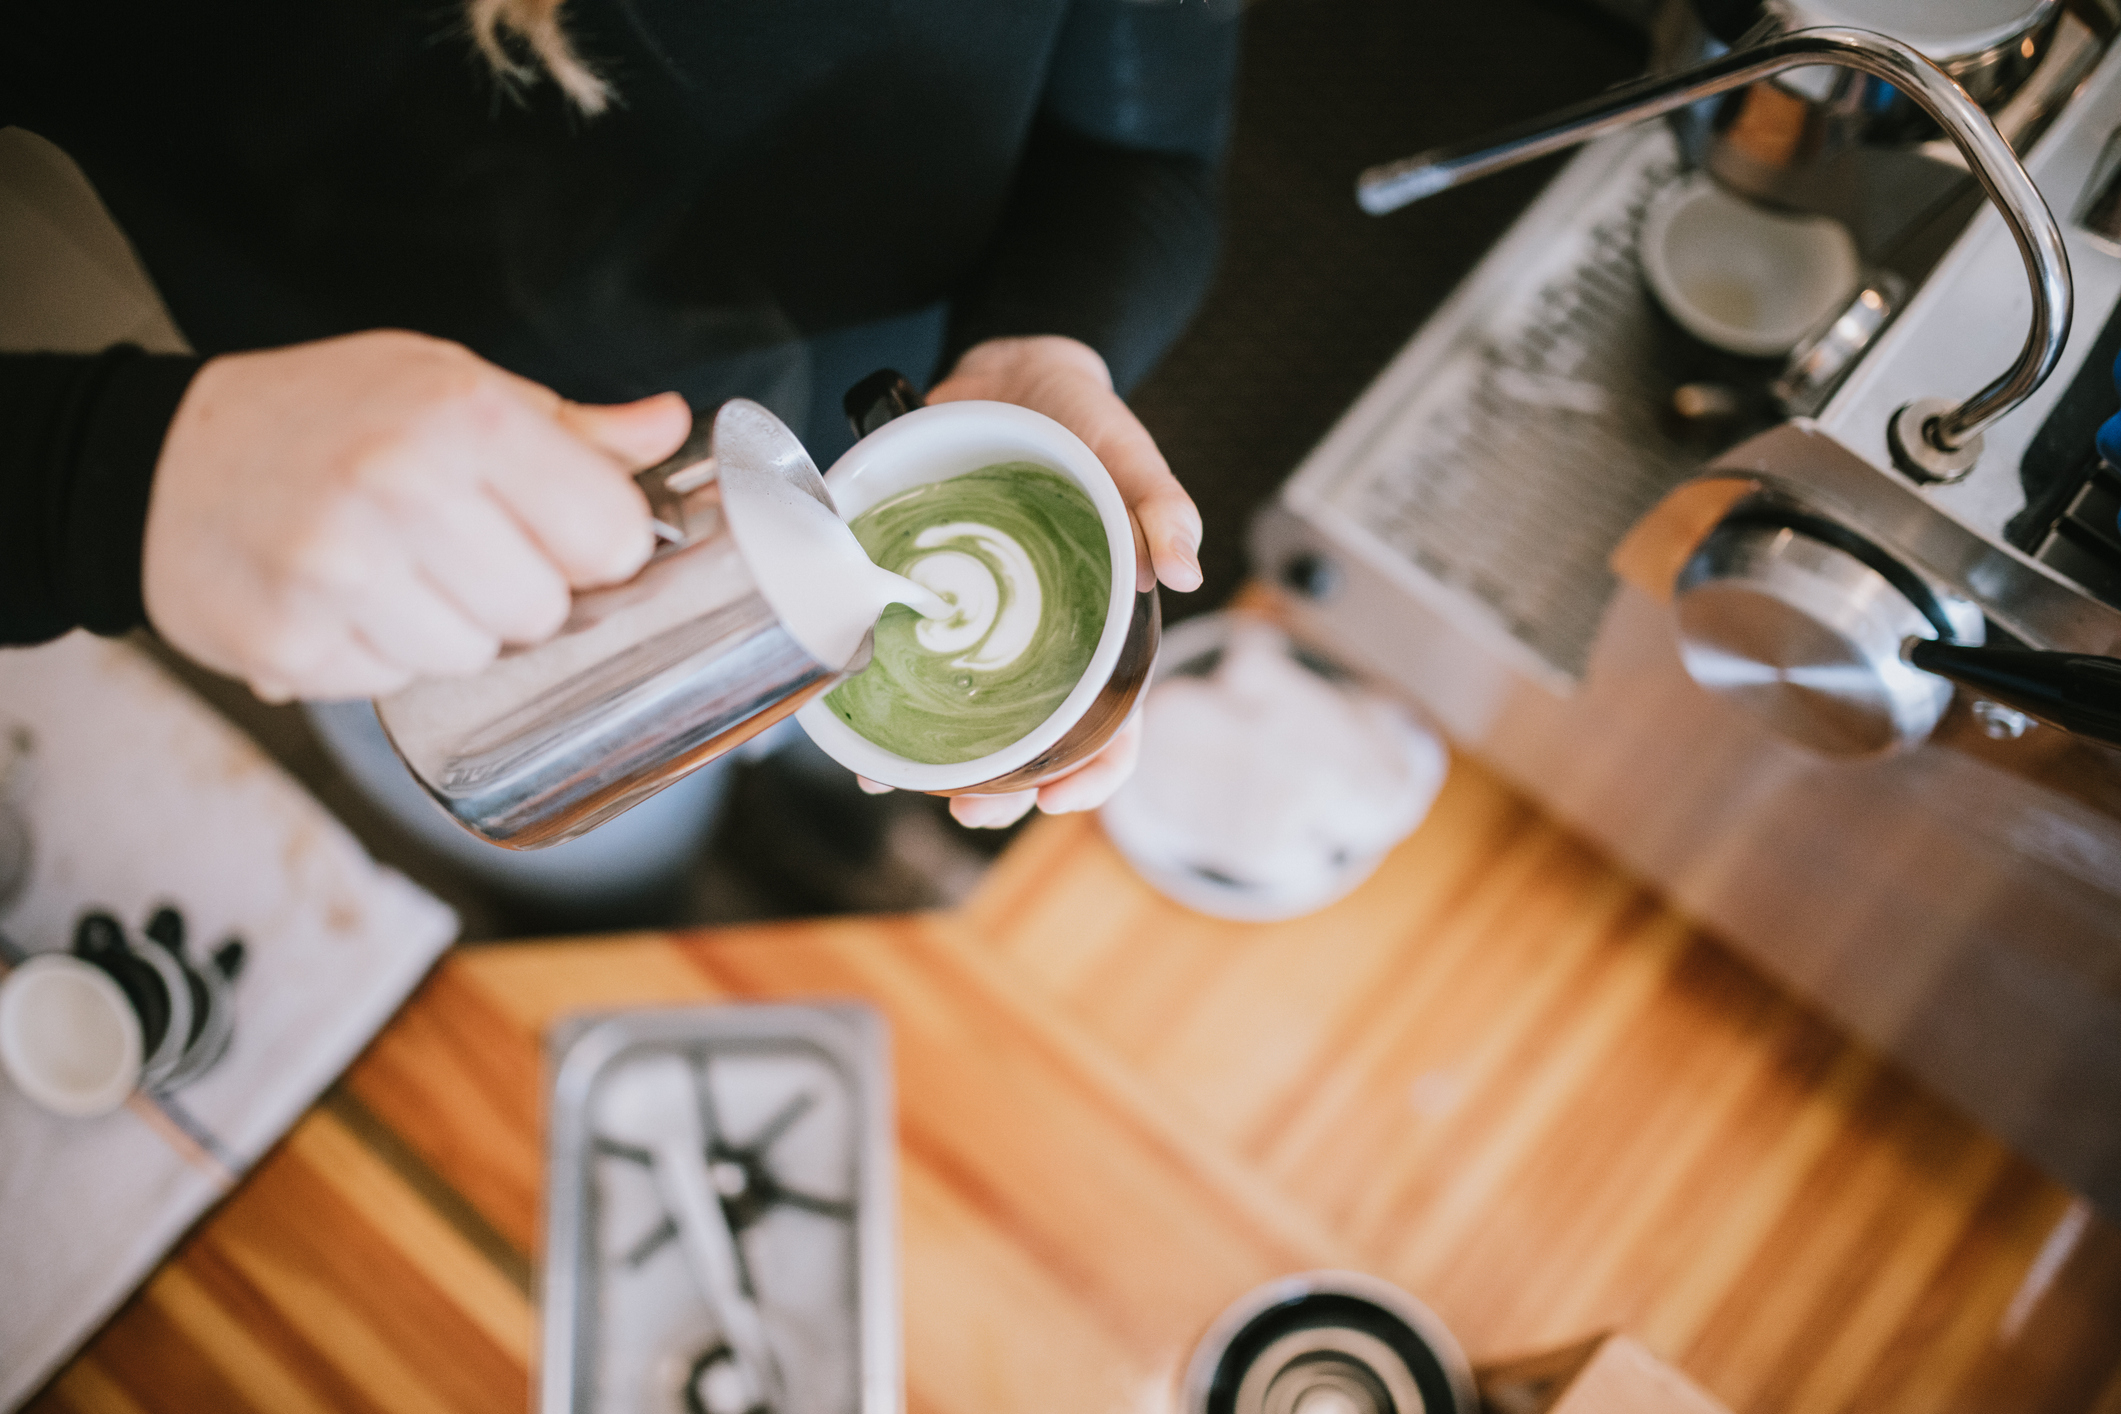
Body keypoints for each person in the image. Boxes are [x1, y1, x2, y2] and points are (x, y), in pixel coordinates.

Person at [0, 0, 1236, 902]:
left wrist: (1053, 340)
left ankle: (807, 848)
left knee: (835, 798)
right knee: (616, 883)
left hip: (909, 461)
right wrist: (116, 485)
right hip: (427, 594)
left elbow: (1146, 151)